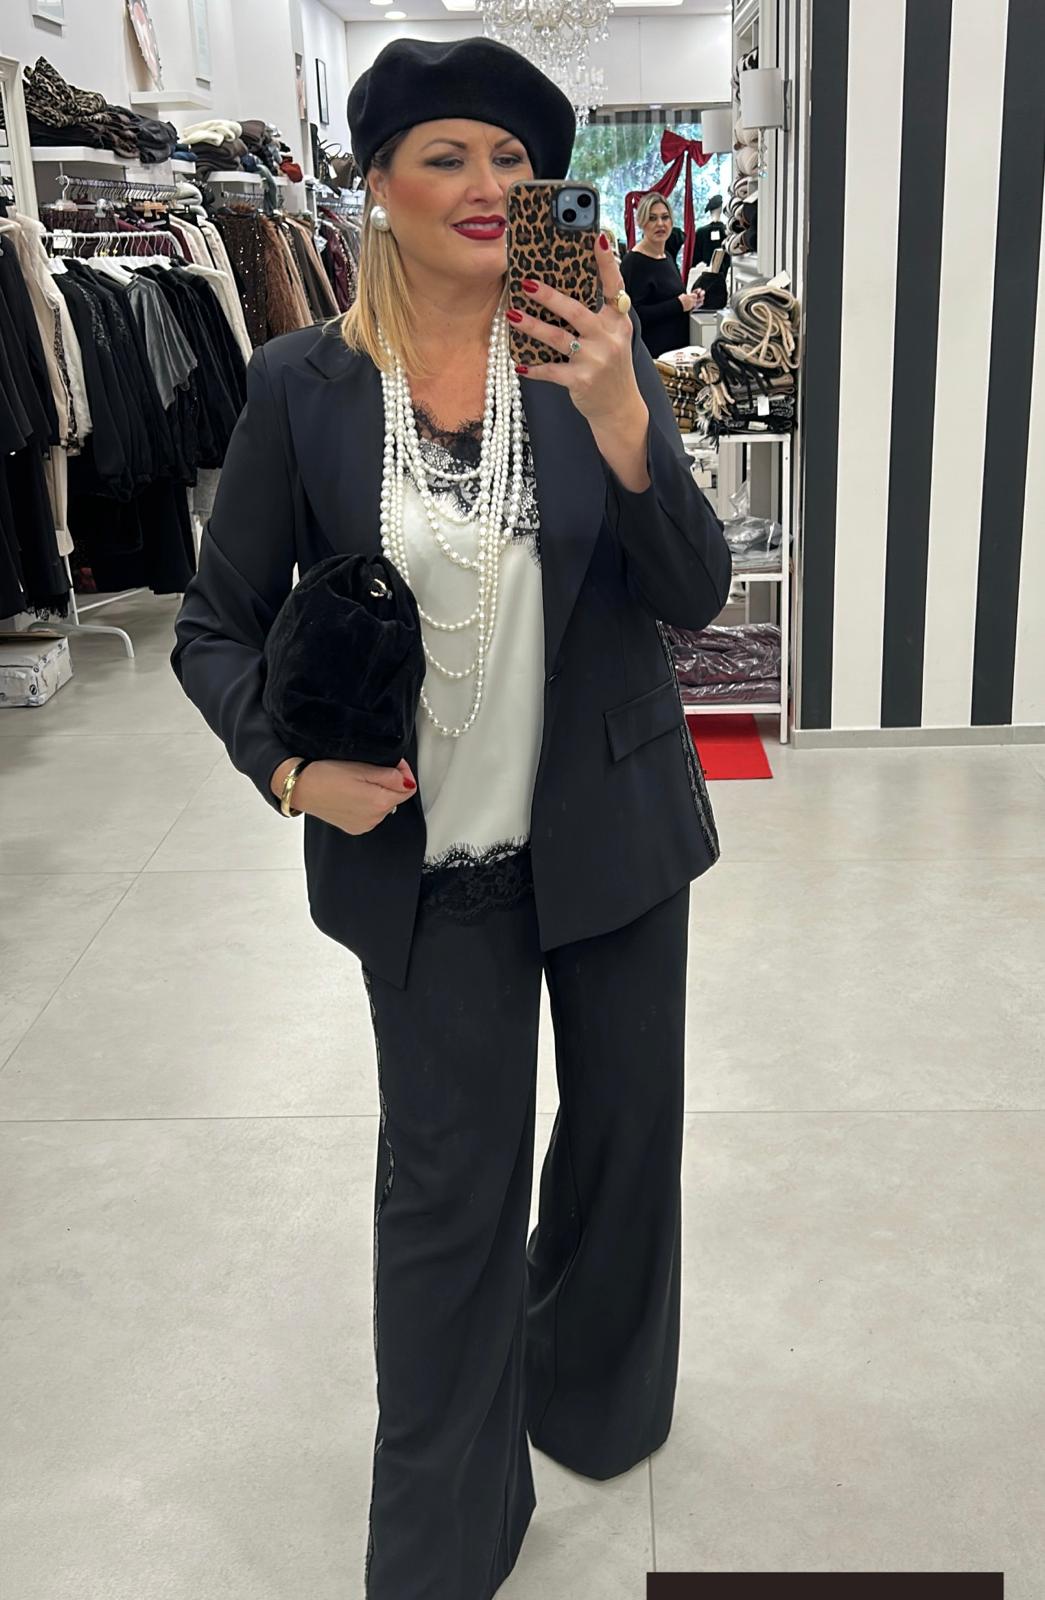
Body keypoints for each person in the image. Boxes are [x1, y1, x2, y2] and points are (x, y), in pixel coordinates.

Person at [170, 34, 731, 1600]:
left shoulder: (587, 346)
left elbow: (693, 593)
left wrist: (625, 418)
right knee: (447, 1193)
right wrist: (290, 769)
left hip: (612, 829)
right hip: (423, 867)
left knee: (621, 1141)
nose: (491, 185)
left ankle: (594, 1400)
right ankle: (439, 1543)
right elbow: (212, 627)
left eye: (514, 160)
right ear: (378, 187)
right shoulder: (304, 385)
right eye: (450, 156)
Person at [621, 192, 704, 359]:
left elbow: (670, 298)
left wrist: (692, 300)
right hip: (651, 357)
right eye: (652, 218)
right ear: (641, 223)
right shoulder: (634, 262)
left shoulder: (667, 256)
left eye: (665, 217)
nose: (660, 223)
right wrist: (678, 304)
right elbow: (633, 316)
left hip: (676, 355)